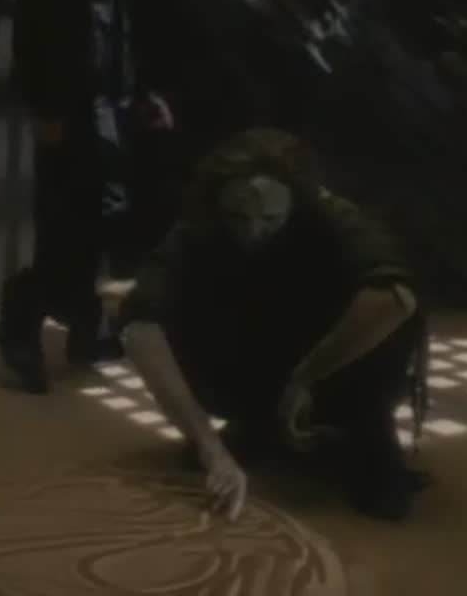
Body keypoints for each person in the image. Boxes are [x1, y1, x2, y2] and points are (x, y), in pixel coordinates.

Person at [115, 128, 430, 521]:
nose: (252, 232)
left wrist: (306, 377)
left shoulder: (334, 217)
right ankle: (261, 422)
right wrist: (209, 447)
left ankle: (352, 429)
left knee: (384, 489)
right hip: (255, 353)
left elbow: (393, 300)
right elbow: (140, 327)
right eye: (237, 217)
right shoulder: (199, 226)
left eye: (269, 219)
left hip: (332, 360)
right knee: (173, 313)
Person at [0, 0, 174, 394]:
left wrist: (136, 97)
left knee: (95, 225)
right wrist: (50, 108)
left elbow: (109, 38)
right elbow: (43, 33)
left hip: (97, 111)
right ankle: (19, 324)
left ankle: (86, 330)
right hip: (77, 112)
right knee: (74, 229)